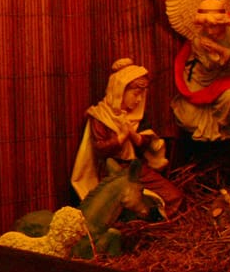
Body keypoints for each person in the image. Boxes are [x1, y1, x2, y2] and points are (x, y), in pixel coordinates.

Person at [71, 58, 184, 214]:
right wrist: (121, 137)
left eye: (142, 95)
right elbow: (99, 148)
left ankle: (158, 219)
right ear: (119, 90)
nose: (139, 100)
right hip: (112, 172)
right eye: (136, 94)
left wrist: (134, 135)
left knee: (173, 196)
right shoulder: (100, 116)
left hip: (136, 168)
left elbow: (147, 142)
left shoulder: (136, 117)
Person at [170, 0, 230, 142]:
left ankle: (223, 131)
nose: (209, 31)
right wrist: (214, 53)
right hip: (200, 79)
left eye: (213, 26)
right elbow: (208, 65)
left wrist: (218, 49)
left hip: (223, 77)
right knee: (189, 119)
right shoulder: (198, 38)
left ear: (222, 23)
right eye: (205, 26)